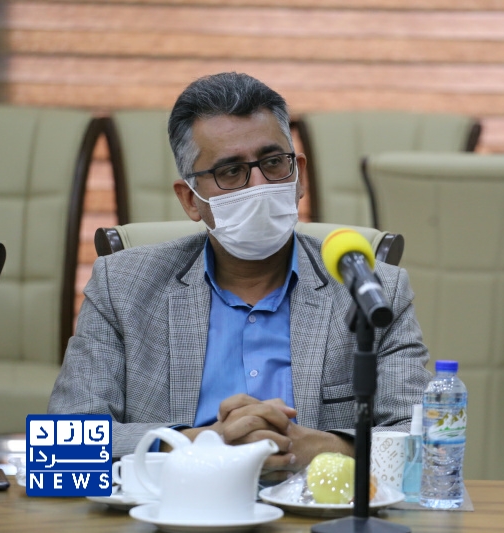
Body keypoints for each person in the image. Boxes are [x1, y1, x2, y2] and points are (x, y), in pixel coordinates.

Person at [48, 72, 432, 477]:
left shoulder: (374, 291)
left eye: (273, 163)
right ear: (190, 200)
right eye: (231, 171)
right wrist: (199, 445)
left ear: (298, 174)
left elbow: (424, 447)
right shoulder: (122, 287)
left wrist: (314, 448)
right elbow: (60, 451)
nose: (259, 185)